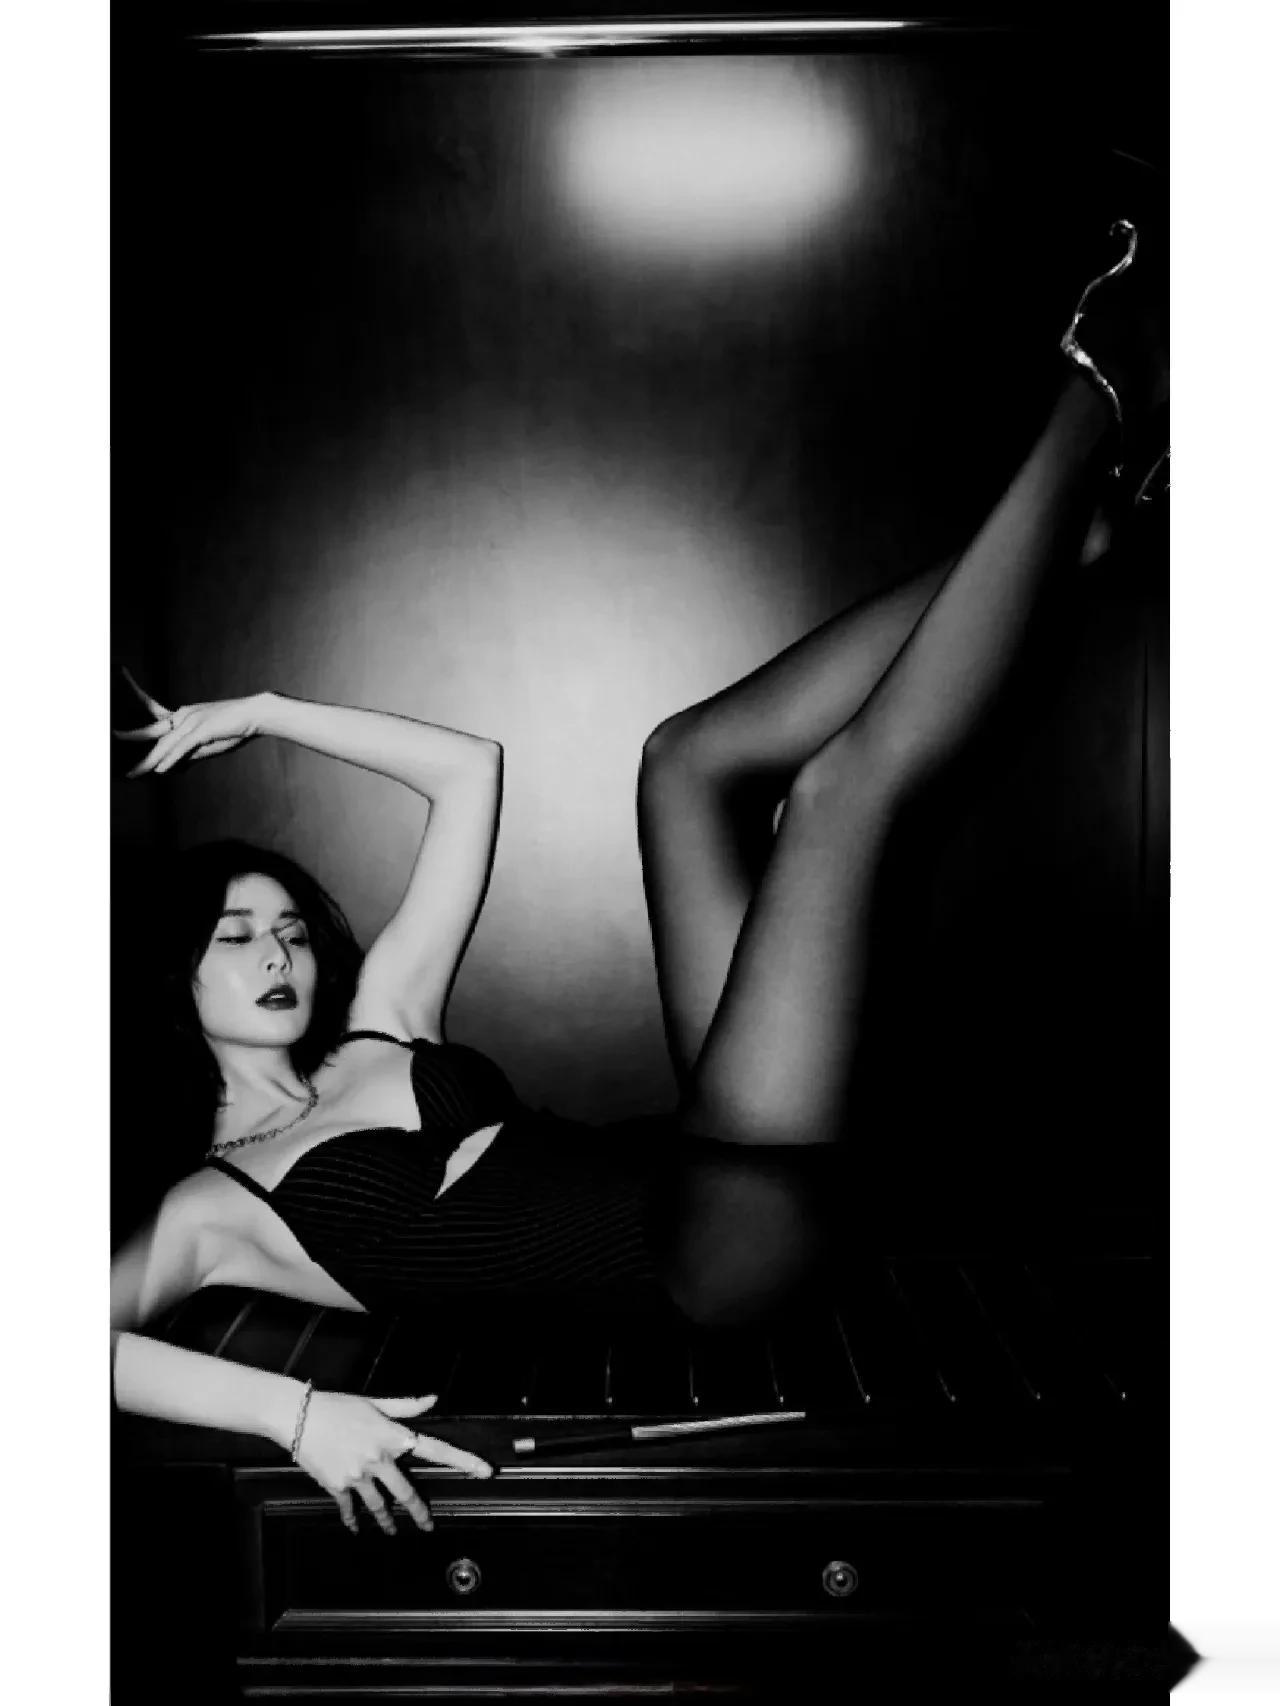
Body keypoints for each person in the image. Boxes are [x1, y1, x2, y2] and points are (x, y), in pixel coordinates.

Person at [111, 217, 1166, 1535]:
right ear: (170, 975)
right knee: (834, 802)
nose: (277, 952)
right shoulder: (212, 1201)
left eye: (288, 928)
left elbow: (468, 770)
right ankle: (1116, 370)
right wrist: (297, 1414)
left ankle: (1072, 543)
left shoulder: (384, 1019)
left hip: (707, 1148)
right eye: (232, 934)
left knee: (687, 762)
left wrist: (268, 709)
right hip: (718, 1254)